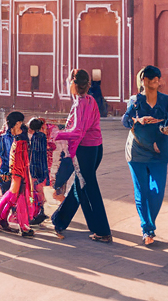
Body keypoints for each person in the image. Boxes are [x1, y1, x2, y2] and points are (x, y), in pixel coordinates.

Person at [50, 68, 113, 243]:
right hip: (96, 148)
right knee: (80, 184)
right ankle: (59, 220)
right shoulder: (91, 99)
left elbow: (78, 132)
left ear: (73, 84)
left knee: (88, 189)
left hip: (85, 150)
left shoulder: (80, 103)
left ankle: (102, 230)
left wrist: (57, 134)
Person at [122, 65, 168, 246]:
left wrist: (164, 129)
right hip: (137, 151)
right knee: (142, 191)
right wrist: (137, 120)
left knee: (157, 191)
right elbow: (125, 121)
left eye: (158, 78)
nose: (157, 80)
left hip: (159, 151)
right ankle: (147, 229)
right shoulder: (135, 100)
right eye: (152, 78)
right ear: (144, 80)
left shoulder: (166, 100)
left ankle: (149, 223)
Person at [0, 112, 33, 235]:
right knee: (12, 199)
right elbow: (2, 155)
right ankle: (5, 221)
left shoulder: (22, 136)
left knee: (12, 199)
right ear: (17, 123)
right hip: (9, 173)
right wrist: (3, 172)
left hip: (18, 173)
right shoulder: (3, 137)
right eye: (20, 122)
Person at [28, 117, 50, 225]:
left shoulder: (35, 138)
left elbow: (35, 154)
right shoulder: (42, 136)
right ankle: (39, 211)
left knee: (36, 192)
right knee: (40, 192)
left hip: (36, 168)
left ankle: (36, 213)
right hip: (42, 167)